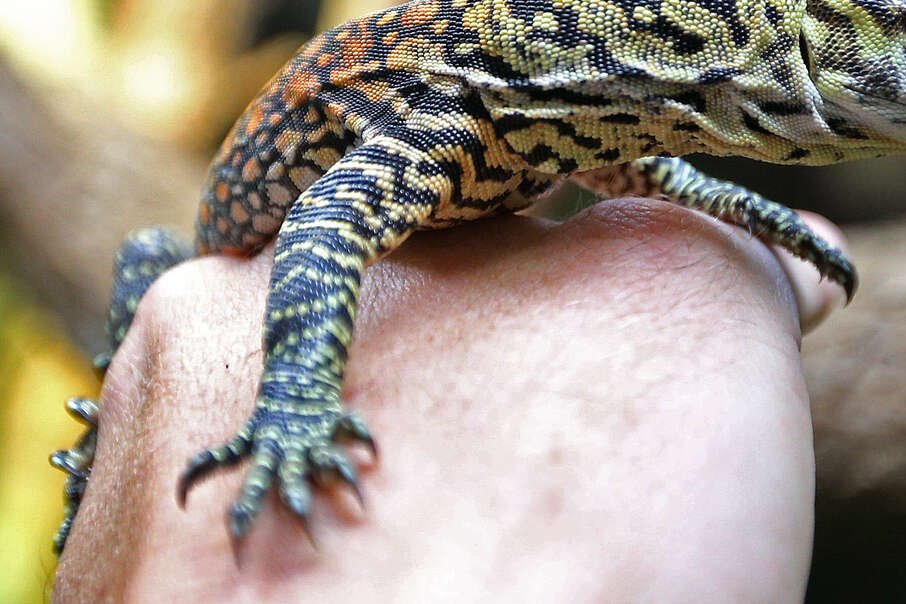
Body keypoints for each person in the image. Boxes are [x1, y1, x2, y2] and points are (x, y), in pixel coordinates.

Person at [54, 198, 847, 602]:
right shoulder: (454, 97)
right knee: (152, 258)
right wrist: (295, 405)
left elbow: (625, 164)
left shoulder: (573, 117)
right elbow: (325, 224)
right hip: (226, 258)